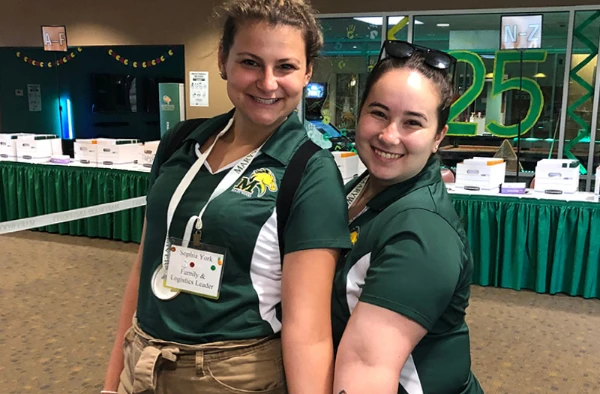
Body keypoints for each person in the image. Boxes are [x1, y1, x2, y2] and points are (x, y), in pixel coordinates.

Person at [103, 1, 352, 393]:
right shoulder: (180, 143)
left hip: (231, 374)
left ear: (307, 73)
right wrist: (112, 380)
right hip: (143, 361)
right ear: (223, 60)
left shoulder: (311, 172)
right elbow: (143, 267)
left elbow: (310, 331)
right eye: (250, 62)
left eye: (285, 67)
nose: (268, 83)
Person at [331, 40, 483, 394]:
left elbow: (368, 368)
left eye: (412, 123)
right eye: (379, 113)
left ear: (438, 137)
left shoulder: (421, 232)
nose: (388, 135)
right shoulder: (363, 184)